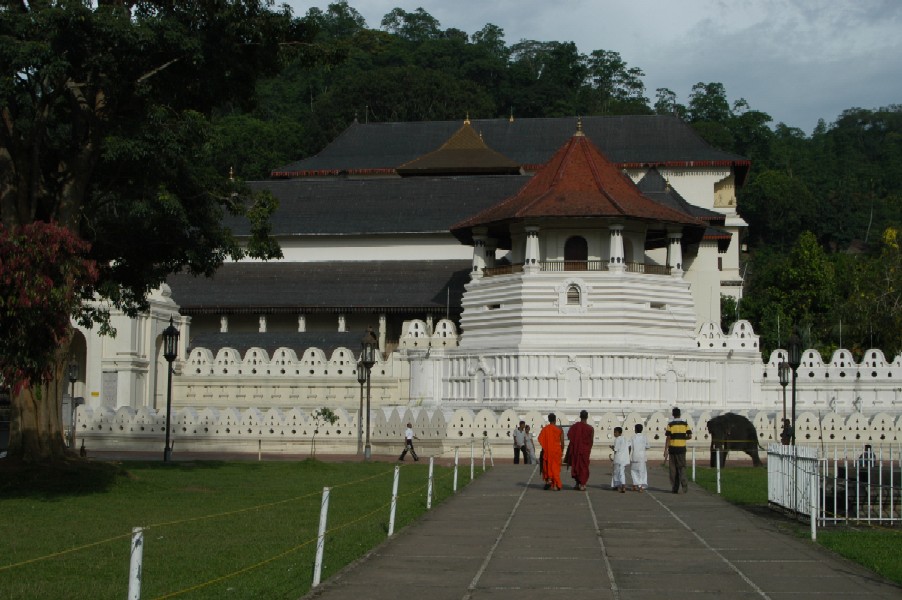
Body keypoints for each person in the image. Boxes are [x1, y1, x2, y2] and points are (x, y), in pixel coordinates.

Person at [664, 407, 692, 493]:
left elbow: (668, 438)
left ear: (673, 414)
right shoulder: (685, 424)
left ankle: (675, 488)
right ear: (680, 414)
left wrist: (665, 450)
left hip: (672, 449)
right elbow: (690, 436)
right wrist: (683, 438)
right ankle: (684, 485)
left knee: (673, 469)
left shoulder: (670, 425)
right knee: (682, 467)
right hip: (681, 449)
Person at [567, 409, 594, 491]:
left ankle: (577, 483)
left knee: (576, 466)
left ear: (580, 416)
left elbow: (569, 437)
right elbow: (591, 441)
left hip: (576, 450)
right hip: (585, 450)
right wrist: (588, 449)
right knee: (584, 467)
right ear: (587, 417)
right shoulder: (590, 428)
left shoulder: (574, 427)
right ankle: (582, 484)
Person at [538, 413, 564, 490]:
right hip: (556, 451)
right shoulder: (559, 429)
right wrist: (561, 450)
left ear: (549, 420)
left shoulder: (545, 429)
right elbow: (562, 442)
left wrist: (546, 447)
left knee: (548, 466)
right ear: (555, 420)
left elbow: (540, 440)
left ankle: (549, 480)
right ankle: (556, 485)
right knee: (555, 467)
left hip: (548, 451)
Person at [629, 423, 650, 492]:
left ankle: (635, 484)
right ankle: (640, 486)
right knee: (642, 471)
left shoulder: (633, 437)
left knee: (634, 471)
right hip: (642, 456)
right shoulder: (644, 437)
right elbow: (648, 446)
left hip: (634, 455)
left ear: (635, 430)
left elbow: (629, 446)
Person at [610, 426, 630, 493]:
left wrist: (612, 448)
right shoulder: (625, 439)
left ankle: (618, 485)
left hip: (618, 458)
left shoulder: (617, 439)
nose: (614, 433)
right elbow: (628, 447)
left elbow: (616, 450)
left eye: (615, 432)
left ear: (619, 433)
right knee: (622, 472)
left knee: (616, 472)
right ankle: (623, 486)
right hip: (624, 458)